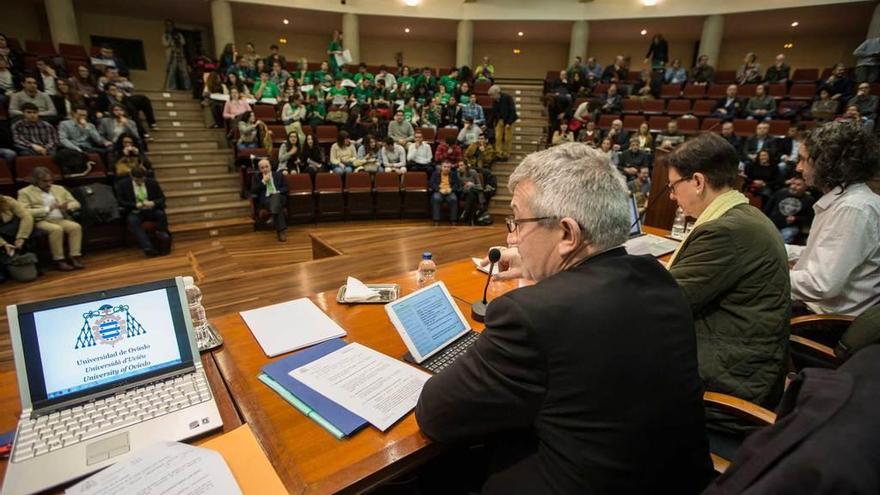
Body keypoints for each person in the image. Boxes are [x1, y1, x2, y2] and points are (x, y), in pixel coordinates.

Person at [422, 142, 713, 493]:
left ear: (567, 233)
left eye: (517, 221)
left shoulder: (531, 316)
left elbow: (436, 414)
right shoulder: (660, 280)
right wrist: (539, 267)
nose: (511, 237)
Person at [664, 133, 790, 431]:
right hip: (745, 364)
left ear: (697, 181)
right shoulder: (745, 217)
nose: (671, 196)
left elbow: (664, 303)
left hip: (729, 386)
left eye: (672, 186)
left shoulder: (726, 231)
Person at [788, 121, 880, 316]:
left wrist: (761, 275)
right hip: (817, 311)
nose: (798, 167)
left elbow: (821, 284)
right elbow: (821, 255)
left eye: (804, 160)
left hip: (823, 322)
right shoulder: (849, 201)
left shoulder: (853, 209)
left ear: (826, 164)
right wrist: (772, 248)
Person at [17, 167, 84, 271]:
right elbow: (24, 211)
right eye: (45, 181)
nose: (49, 184)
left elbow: (76, 203)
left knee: (75, 227)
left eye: (50, 181)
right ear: (36, 181)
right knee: (56, 229)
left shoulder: (59, 189)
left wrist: (68, 207)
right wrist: (47, 209)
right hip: (41, 220)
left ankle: (74, 256)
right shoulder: (24, 192)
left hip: (60, 218)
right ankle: (59, 260)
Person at [115, 166, 169, 256]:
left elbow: (162, 198)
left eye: (142, 180)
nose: (140, 182)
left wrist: (153, 203)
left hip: (150, 210)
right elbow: (120, 201)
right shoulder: (123, 184)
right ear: (131, 177)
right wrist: (135, 205)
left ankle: (162, 241)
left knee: (161, 215)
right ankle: (148, 247)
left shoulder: (152, 183)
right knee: (133, 221)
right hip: (135, 211)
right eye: (137, 180)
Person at [57, 106, 111, 175]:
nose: (82, 117)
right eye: (80, 115)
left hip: (87, 147)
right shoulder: (64, 124)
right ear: (74, 114)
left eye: (84, 115)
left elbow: (98, 140)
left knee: (104, 152)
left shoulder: (90, 126)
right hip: (72, 147)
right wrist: (76, 148)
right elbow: (63, 139)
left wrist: (87, 127)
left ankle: (104, 173)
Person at [764, 174, 815, 244]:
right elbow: (767, 208)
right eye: (793, 184)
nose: (793, 187)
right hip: (772, 223)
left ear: (805, 187)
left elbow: (809, 218)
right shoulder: (781, 193)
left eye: (798, 185)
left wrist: (796, 218)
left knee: (787, 235)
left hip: (789, 227)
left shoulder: (809, 200)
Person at [251, 158, 288, 242]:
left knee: (276, 197)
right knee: (276, 205)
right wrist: (263, 181)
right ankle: (281, 231)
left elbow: (286, 187)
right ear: (259, 169)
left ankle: (274, 218)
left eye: (266, 166)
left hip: (279, 197)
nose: (265, 169)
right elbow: (253, 190)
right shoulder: (257, 177)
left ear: (270, 167)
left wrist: (278, 192)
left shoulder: (278, 175)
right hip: (266, 200)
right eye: (262, 167)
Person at [0, 194, 35, 281]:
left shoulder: (8, 200)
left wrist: (21, 237)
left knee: (32, 233)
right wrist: (3, 244)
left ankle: (31, 265)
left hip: (11, 230)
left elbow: (27, 216)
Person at [428, 160, 459, 226]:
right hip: (439, 191)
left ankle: (453, 220)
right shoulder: (435, 173)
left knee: (454, 199)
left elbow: (456, 184)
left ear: (450, 168)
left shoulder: (453, 174)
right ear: (441, 167)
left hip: (449, 191)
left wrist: (451, 189)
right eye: (445, 167)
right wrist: (439, 189)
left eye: (448, 167)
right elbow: (431, 183)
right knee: (436, 198)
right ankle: (436, 220)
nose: (446, 168)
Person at [162, 19, 190, 91]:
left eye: (171, 25)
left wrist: (176, 38)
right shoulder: (165, 35)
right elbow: (166, 44)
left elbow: (183, 42)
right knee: (172, 72)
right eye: (168, 25)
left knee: (184, 72)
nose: (169, 27)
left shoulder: (178, 34)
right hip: (171, 56)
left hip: (180, 55)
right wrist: (171, 38)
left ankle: (187, 87)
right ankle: (172, 88)